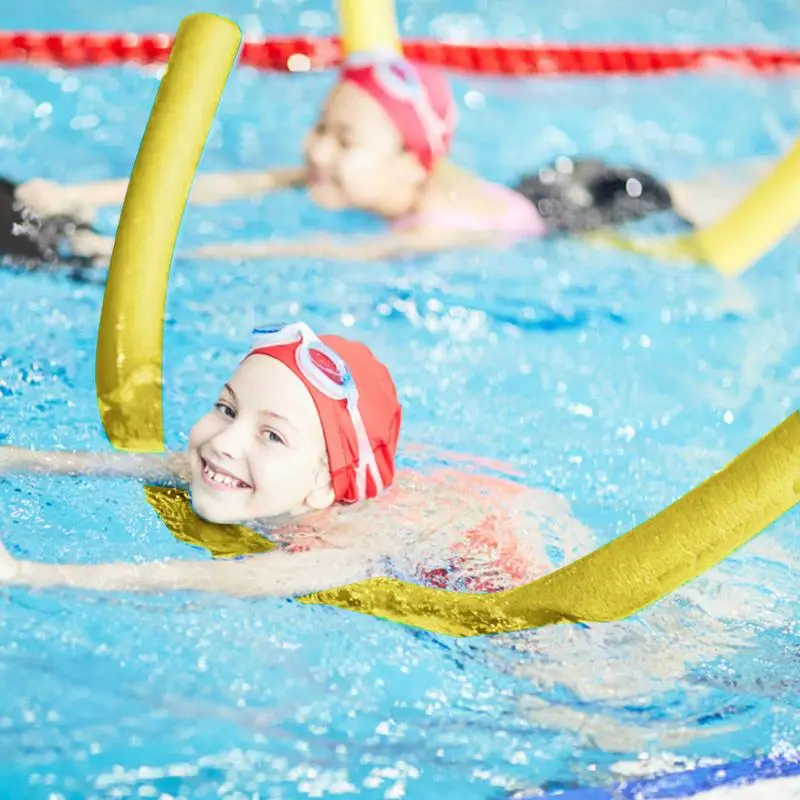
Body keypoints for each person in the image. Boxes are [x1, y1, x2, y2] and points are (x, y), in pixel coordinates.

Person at [3, 55, 776, 270]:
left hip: (587, 207)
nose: (315, 152)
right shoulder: (373, 173)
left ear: (411, 166)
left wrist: (135, 254)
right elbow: (224, 185)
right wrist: (77, 192)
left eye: (343, 141)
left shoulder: (429, 224)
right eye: (321, 127)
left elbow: (295, 246)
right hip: (542, 184)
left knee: (706, 202)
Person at [0, 320, 594, 595]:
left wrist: (36, 575)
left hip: (495, 552)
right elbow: (91, 463)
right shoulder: (227, 464)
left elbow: (213, 579)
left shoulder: (338, 549)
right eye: (227, 409)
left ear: (319, 489)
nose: (225, 442)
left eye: (272, 436)